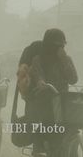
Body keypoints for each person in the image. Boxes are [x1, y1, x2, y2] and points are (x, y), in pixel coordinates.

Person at [18, 29, 78, 157]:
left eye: (62, 45)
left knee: (70, 128)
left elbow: (73, 79)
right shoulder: (38, 59)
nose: (60, 48)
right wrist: (40, 82)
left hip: (62, 100)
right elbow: (38, 75)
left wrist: (64, 60)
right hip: (44, 100)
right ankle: (38, 149)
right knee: (43, 128)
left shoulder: (66, 59)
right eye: (57, 45)